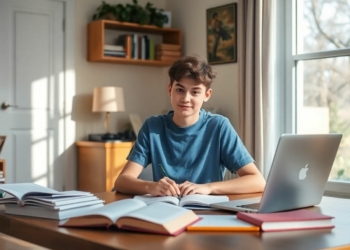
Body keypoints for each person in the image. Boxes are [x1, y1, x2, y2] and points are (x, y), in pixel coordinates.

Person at [114, 55, 265, 197]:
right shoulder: (153, 126)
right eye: (180, 90)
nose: (186, 99)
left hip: (207, 214)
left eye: (195, 92)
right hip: (165, 211)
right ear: (169, 90)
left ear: (207, 95)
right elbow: (122, 181)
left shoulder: (219, 126)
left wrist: (209, 188)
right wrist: (150, 186)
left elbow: (258, 181)